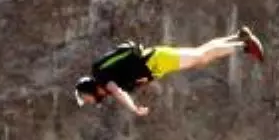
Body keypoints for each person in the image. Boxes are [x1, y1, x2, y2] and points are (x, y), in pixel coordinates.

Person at [73, 26, 265, 116]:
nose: (89, 101)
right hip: (156, 61)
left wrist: (134, 109)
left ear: (90, 89)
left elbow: (118, 92)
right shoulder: (105, 79)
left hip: (157, 60)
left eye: (86, 97)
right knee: (201, 56)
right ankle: (239, 37)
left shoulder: (102, 77)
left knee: (201, 56)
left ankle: (244, 46)